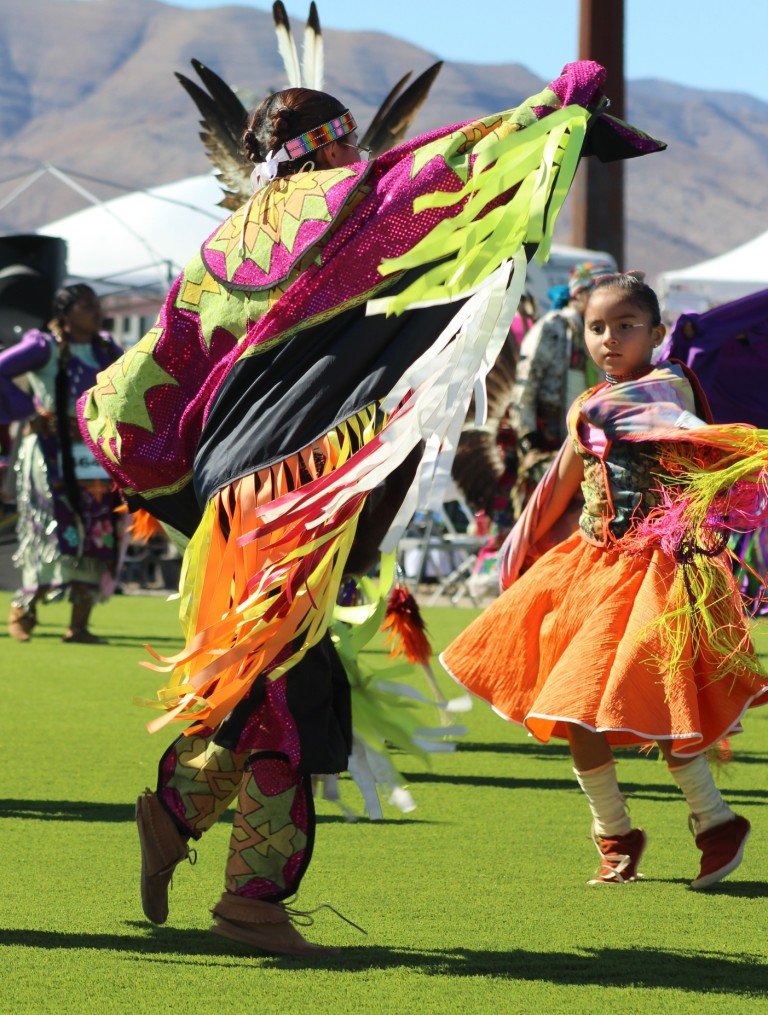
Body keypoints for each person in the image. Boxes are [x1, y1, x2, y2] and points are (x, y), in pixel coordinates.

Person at [78, 69, 665, 953]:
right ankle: (249, 899)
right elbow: (444, 168)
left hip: (240, 497)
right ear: (328, 144)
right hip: (296, 491)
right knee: (280, 695)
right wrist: (554, 108)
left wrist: (178, 485)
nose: (360, 153)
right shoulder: (347, 200)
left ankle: (177, 814)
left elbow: (141, 386)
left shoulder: (217, 254)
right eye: (349, 140)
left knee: (281, 687)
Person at [441, 272, 768, 889]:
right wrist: (519, 554)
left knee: (669, 704)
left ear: (657, 334)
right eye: (597, 328)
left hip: (664, 576)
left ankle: (714, 821)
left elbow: (667, 424)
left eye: (626, 327)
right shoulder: (589, 407)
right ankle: (615, 835)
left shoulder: (667, 390)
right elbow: (557, 484)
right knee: (573, 707)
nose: (610, 338)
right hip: (591, 571)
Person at [0, 284, 121, 643]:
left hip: (91, 450)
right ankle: (25, 607)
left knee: (97, 525)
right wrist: (27, 411)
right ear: (65, 314)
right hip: (48, 450)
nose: (96, 312)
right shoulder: (43, 346)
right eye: (86, 306)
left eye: (97, 305)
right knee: (52, 524)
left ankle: (79, 623)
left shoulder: (107, 349)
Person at [509, 261, 611, 516]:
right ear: (580, 294)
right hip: (548, 438)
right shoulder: (554, 327)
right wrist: (528, 435)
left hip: (582, 440)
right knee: (546, 514)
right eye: (599, 292)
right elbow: (526, 383)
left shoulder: (598, 334)